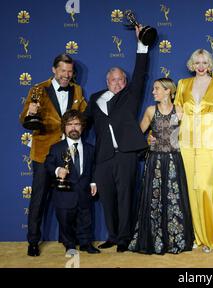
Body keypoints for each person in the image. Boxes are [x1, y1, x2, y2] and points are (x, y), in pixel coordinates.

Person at [84, 25, 154, 252]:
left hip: (126, 154)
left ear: (125, 82)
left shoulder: (130, 96)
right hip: (103, 157)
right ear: (107, 81)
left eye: (121, 80)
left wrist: (142, 43)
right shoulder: (95, 99)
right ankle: (112, 235)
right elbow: (83, 123)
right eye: (113, 80)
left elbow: (141, 71)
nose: (117, 83)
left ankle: (124, 238)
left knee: (125, 198)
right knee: (107, 199)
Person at [19, 53, 87, 257]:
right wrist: (29, 112)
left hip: (67, 154)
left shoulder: (77, 89)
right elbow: (24, 119)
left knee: (67, 201)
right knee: (38, 199)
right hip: (43, 154)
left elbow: (82, 116)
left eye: (70, 71)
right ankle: (33, 241)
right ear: (54, 70)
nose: (67, 75)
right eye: (63, 71)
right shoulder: (38, 89)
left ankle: (69, 242)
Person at [128, 78, 194, 254]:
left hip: (174, 160)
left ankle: (174, 241)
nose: (153, 92)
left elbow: (188, 137)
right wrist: (148, 139)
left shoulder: (180, 111)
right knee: (153, 200)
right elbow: (136, 135)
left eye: (157, 88)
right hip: (155, 161)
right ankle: (152, 239)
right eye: (153, 88)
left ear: (168, 91)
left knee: (174, 200)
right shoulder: (151, 110)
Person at [174, 49, 213, 253]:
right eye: (197, 62)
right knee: (190, 190)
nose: (201, 66)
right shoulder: (182, 84)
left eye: (204, 62)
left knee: (207, 189)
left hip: (210, 143)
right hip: (186, 144)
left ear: (210, 64)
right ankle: (197, 237)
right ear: (192, 64)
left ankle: (210, 237)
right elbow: (176, 112)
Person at [44, 110, 99, 256]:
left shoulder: (90, 149)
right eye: (69, 124)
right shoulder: (56, 148)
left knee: (85, 219)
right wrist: (57, 170)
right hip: (64, 194)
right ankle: (69, 245)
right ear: (64, 127)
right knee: (65, 221)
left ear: (82, 127)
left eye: (77, 124)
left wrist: (93, 182)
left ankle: (86, 243)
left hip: (84, 192)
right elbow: (48, 165)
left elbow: (93, 167)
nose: (73, 128)